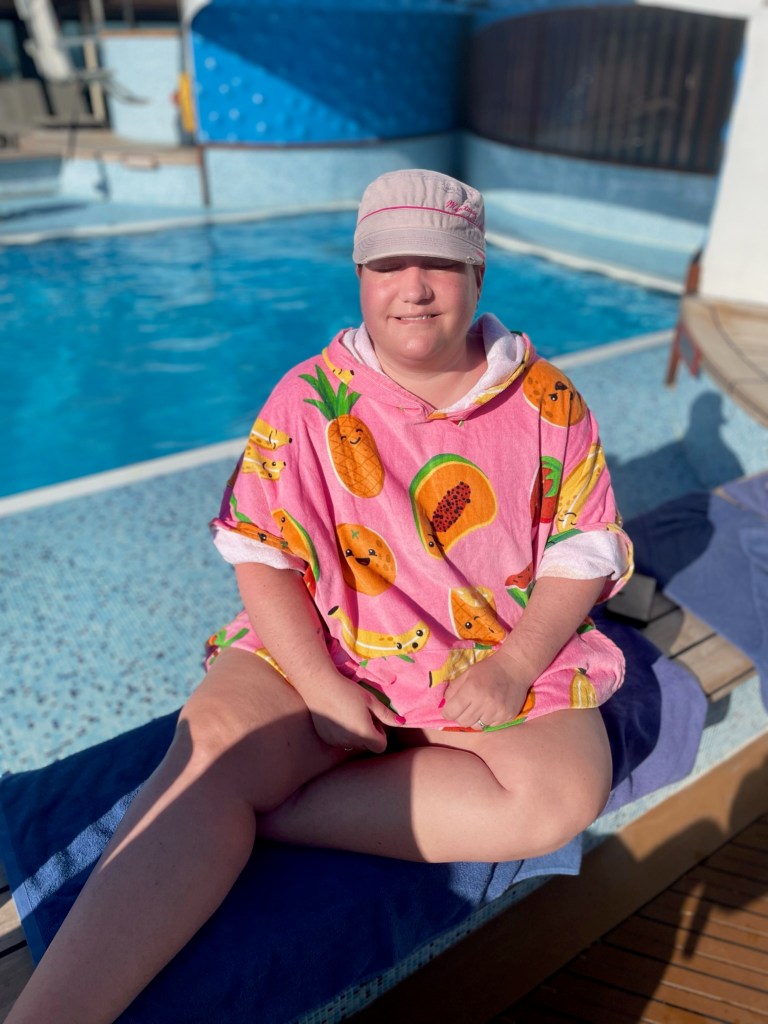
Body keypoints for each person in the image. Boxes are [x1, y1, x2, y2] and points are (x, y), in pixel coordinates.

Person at [7, 169, 632, 1024]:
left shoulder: (546, 401)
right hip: (331, 639)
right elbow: (261, 555)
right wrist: (317, 683)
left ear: (479, 273)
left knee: (560, 794)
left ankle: (272, 812)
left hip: (483, 647)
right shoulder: (308, 401)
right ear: (360, 276)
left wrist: (517, 664)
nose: (414, 287)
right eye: (388, 265)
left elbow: (580, 547)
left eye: (439, 264)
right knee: (212, 749)